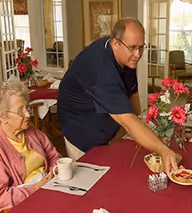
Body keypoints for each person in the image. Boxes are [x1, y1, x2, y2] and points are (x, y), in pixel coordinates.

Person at [57, 17, 178, 173]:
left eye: (142, 47)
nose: (138, 54)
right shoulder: (100, 69)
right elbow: (127, 120)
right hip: (81, 131)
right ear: (116, 43)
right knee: (92, 184)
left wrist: (142, 123)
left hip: (105, 127)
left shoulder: (126, 57)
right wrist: (164, 150)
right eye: (133, 47)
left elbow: (132, 93)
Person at [0, 80, 61, 213]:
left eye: (27, 108)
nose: (28, 115)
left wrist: (53, 173)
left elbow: (54, 156)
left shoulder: (31, 131)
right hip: (19, 207)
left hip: (47, 191)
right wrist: (35, 189)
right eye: (20, 111)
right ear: (2, 117)